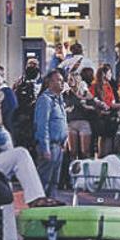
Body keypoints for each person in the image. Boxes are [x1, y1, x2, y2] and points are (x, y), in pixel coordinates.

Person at [34, 70, 68, 198]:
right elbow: (42, 125)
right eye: (58, 80)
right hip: (50, 145)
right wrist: (45, 148)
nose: (62, 83)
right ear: (50, 82)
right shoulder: (45, 100)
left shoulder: (59, 100)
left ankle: (51, 209)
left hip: (59, 146)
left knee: (54, 182)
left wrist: (64, 142)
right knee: (44, 181)